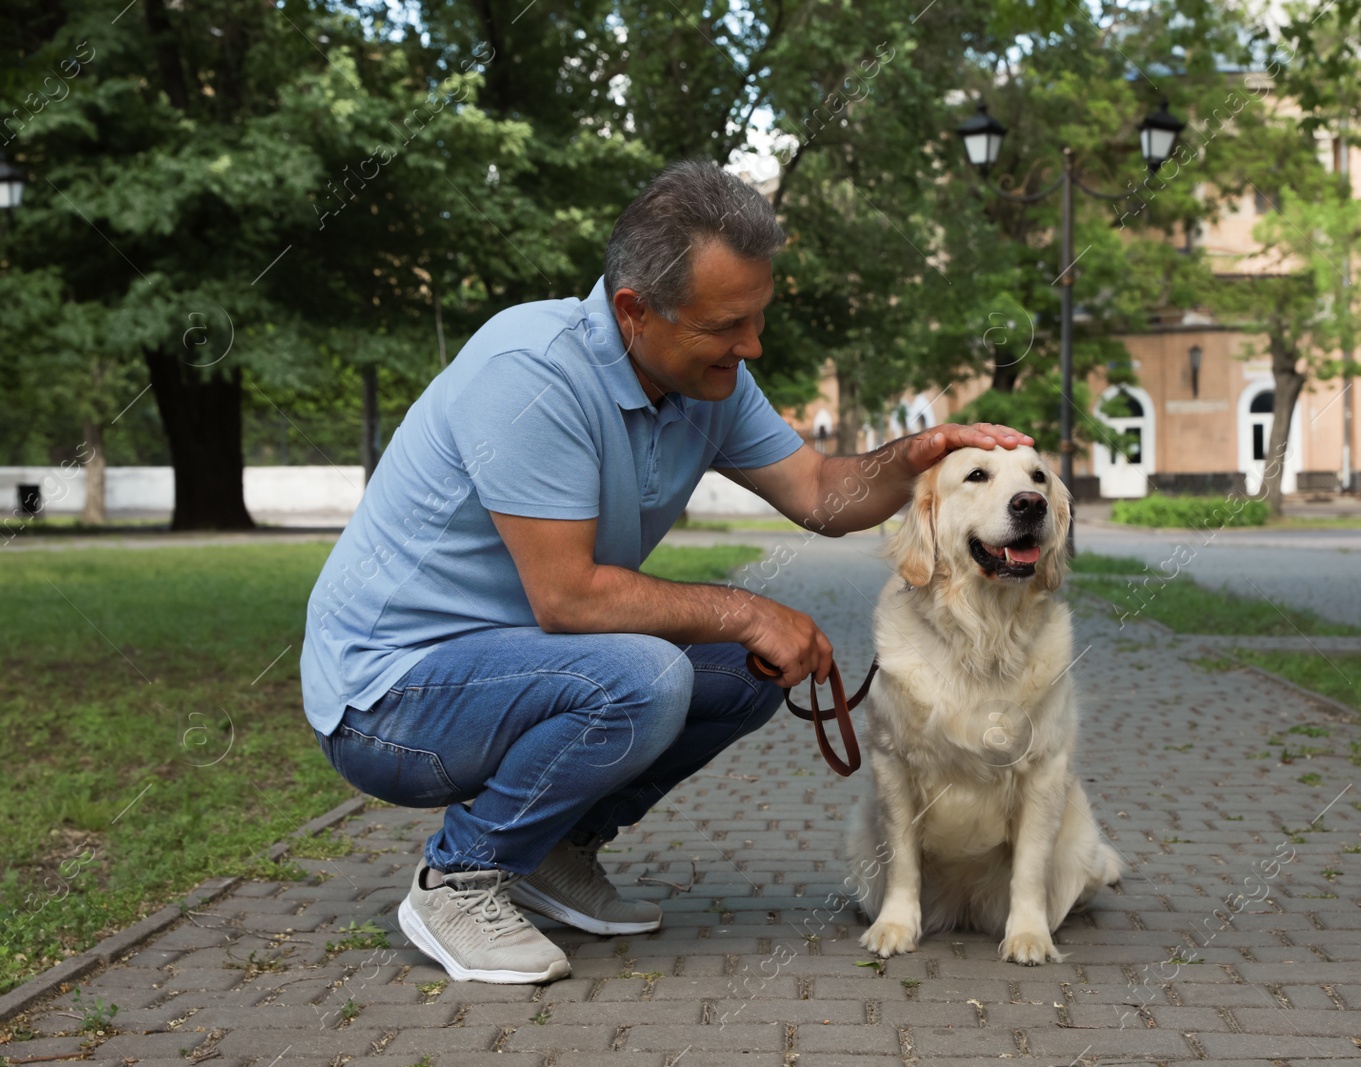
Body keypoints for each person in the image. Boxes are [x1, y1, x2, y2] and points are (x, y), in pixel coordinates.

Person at [299, 159, 1033, 985]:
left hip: (516, 660)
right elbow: (570, 595)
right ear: (633, 310)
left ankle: (549, 850)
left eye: (757, 318)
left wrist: (914, 455)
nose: (750, 346)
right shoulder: (531, 373)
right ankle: (458, 879)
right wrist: (742, 607)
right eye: (728, 325)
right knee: (646, 675)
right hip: (388, 700)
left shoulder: (706, 378)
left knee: (751, 668)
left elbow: (821, 492)